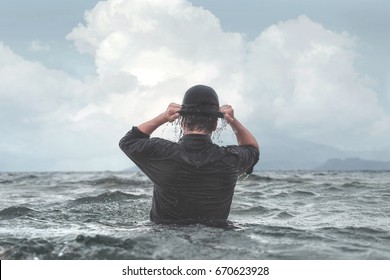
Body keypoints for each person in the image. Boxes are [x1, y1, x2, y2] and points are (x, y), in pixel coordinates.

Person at [119, 85, 259, 227]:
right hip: (214, 240)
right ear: (215, 125)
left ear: (182, 121)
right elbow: (252, 149)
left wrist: (163, 117)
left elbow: (128, 141)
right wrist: (232, 120)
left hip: (165, 237)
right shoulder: (231, 159)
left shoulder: (161, 152)